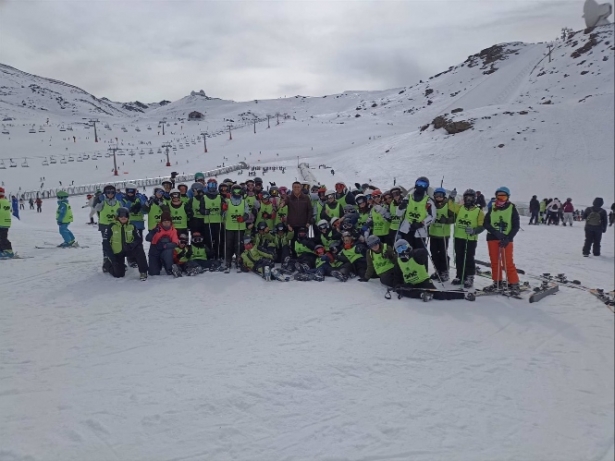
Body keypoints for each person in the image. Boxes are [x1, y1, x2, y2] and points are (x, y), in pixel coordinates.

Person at [393, 239, 466, 300]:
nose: (402, 251)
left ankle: (462, 294)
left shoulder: (416, 256)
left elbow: (423, 252)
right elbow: (397, 277)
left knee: (439, 295)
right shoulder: (398, 262)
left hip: (424, 282)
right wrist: (399, 285)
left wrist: (411, 253)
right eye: (399, 249)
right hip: (411, 285)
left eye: (404, 247)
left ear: (408, 247)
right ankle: (422, 294)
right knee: (401, 290)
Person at [483, 186, 521, 295]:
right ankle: (497, 282)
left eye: (503, 197)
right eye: (499, 196)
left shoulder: (512, 209)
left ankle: (514, 284)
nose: (501, 199)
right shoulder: (492, 208)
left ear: (507, 197)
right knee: (495, 262)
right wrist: (496, 233)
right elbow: (486, 223)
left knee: (507, 262)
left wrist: (508, 238)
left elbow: (516, 226)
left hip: (506, 240)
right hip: (492, 238)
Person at [396, 176, 436, 268]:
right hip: (407, 229)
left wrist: (421, 223)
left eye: (423, 184)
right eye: (419, 184)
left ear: (426, 187)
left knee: (420, 253)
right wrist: (401, 207)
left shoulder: (428, 201)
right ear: (415, 184)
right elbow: (398, 213)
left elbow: (432, 216)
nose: (421, 186)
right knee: (407, 252)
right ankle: (409, 271)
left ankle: (423, 273)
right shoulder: (408, 197)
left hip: (419, 231)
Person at [450, 189, 485, 288]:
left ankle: (469, 277)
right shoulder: (460, 208)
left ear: (474, 199)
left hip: (470, 239)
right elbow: (451, 206)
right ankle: (460, 275)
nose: (469, 199)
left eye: (471, 197)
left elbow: (482, 225)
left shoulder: (479, 211)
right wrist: (451, 198)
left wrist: (474, 231)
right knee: (459, 257)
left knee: (469, 258)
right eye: (467, 197)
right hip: (459, 237)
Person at [102, 207, 148, 280]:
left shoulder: (132, 226)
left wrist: (132, 245)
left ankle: (143, 271)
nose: (123, 217)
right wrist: (112, 259)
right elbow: (106, 244)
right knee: (119, 274)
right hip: (117, 252)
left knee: (139, 249)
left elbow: (138, 239)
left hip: (129, 249)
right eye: (121, 216)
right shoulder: (111, 226)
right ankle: (107, 265)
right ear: (117, 216)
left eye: (125, 215)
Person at [223, 183, 251, 271]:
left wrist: (243, 218)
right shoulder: (227, 201)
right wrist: (223, 209)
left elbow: (247, 213)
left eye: (238, 191)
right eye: (235, 191)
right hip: (229, 227)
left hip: (240, 227)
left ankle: (239, 260)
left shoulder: (244, 202)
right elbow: (222, 214)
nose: (237, 193)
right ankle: (228, 260)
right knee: (228, 245)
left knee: (239, 245)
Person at [428, 187, 454, 281]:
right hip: (433, 233)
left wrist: (446, 220)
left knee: (443, 253)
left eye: (441, 195)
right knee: (434, 253)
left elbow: (454, 217)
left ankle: (445, 271)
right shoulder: (432, 205)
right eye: (437, 195)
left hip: (443, 234)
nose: (438, 197)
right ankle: (437, 270)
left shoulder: (447, 205)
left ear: (444, 196)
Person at [95, 185, 122, 270]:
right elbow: (97, 208)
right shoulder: (103, 202)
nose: (110, 194)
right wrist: (98, 200)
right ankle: (106, 261)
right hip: (105, 225)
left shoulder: (118, 202)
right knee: (107, 244)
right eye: (108, 193)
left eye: (112, 193)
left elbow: (122, 212)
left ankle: (117, 260)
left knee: (116, 243)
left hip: (115, 225)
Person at [146, 211, 179, 276]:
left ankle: (169, 268)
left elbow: (175, 243)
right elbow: (147, 239)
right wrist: (153, 232)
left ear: (171, 222)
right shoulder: (156, 228)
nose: (166, 224)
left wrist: (165, 245)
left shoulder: (173, 230)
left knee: (168, 247)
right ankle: (158, 264)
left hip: (166, 250)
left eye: (168, 222)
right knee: (153, 273)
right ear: (161, 222)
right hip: (155, 250)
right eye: (164, 222)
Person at [286, 181, 313, 253]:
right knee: (293, 241)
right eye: (294, 187)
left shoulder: (306, 198)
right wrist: (287, 224)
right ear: (292, 188)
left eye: (298, 187)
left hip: (303, 224)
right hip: (292, 225)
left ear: (301, 188)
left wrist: (308, 221)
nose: (296, 188)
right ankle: (294, 256)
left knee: (304, 241)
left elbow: (310, 210)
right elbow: (284, 209)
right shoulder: (289, 198)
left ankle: (303, 255)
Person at [202, 178, 224, 259]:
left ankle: (218, 255)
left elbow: (224, 207)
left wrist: (223, 210)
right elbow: (201, 209)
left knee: (218, 240)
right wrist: (204, 211)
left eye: (214, 185)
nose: (212, 187)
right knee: (209, 240)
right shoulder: (204, 197)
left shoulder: (219, 197)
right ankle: (210, 256)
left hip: (218, 221)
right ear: (207, 186)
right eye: (211, 185)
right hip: (208, 222)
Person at [0, 187, 13, 258]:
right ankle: (2, 251)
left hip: (1, 222)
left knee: (2, 238)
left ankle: (8, 251)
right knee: (2, 237)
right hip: (6, 222)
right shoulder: (6, 201)